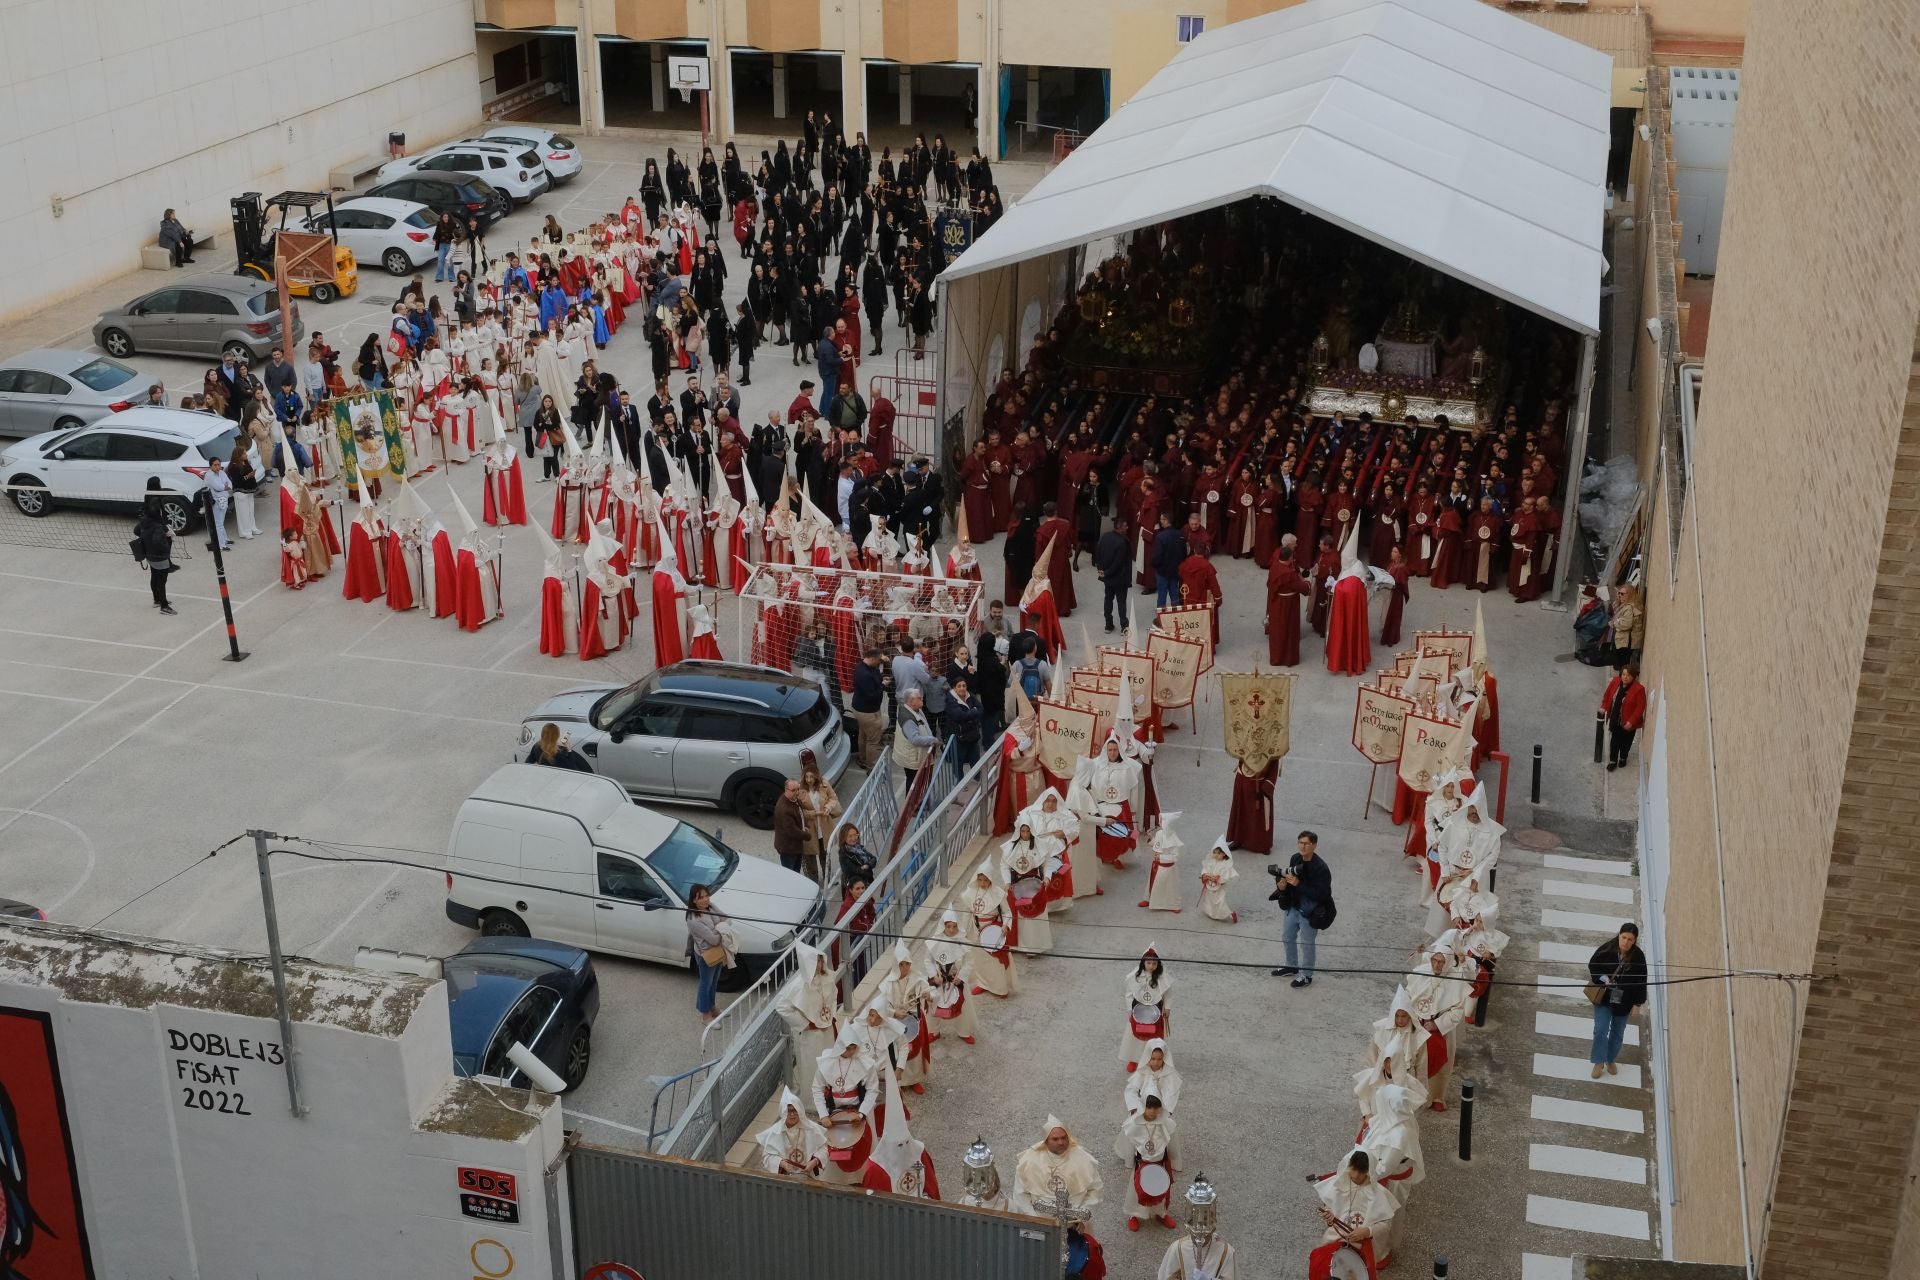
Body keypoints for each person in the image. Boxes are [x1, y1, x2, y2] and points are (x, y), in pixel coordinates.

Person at [1307, 1150, 1397, 1279]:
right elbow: (1331, 1212)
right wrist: (1330, 1218)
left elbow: (1386, 1225)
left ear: (1368, 1171)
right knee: (1320, 1264)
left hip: (1363, 1245)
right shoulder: (1338, 1184)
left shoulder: (1379, 1195)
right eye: (1353, 1169)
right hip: (1336, 1237)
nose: (1355, 1175)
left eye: (1361, 1172)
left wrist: (1367, 1231)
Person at [1270, 830, 1332, 988]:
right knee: (1287, 936)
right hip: (1294, 906)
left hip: (1310, 911)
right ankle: (1291, 966)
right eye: (1300, 843)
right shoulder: (1295, 858)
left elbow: (1322, 895)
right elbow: (1289, 879)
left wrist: (1299, 884)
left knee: (1307, 943)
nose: (1302, 846)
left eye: (1306, 843)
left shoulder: (1321, 868)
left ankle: (1306, 975)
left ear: (1314, 845)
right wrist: (1282, 886)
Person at [1011, 1117, 1105, 1220]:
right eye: (1055, 1139)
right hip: (1040, 1224)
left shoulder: (1083, 1158)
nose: (1061, 1142)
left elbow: (1096, 1190)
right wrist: (1034, 1220)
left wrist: (1082, 1218)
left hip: (1075, 1224)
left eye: (1064, 1138)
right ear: (1046, 1141)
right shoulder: (1029, 1160)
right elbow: (1020, 1195)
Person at [1588, 923, 1647, 1078]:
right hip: (1605, 998)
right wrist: (1604, 978)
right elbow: (1593, 965)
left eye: (1630, 939)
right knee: (1600, 1030)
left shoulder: (1638, 957)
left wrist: (1638, 1003)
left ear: (1635, 941)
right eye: (1624, 937)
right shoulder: (1608, 948)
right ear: (1619, 935)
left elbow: (1642, 981)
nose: (1626, 942)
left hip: (1624, 1001)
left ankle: (1610, 1058)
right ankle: (1599, 1061)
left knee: (1617, 1034)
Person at [920, 912, 977, 1045]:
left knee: (963, 1005)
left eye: (954, 927)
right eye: (948, 927)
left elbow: (969, 962)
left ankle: (964, 1032)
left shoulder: (963, 941)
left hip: (956, 979)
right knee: (932, 1005)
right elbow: (928, 960)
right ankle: (933, 1031)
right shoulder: (934, 941)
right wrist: (934, 975)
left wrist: (961, 977)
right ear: (943, 927)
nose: (951, 930)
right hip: (938, 979)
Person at [755, 1088, 827, 1178]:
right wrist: (783, 1164)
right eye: (788, 1111)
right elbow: (767, 1157)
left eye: (795, 1110)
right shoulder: (774, 1132)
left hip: (809, 1174)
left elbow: (824, 1148)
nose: (792, 1114)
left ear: (800, 1111)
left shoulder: (811, 1128)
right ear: (783, 1112)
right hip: (785, 1177)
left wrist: (814, 1161)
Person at [686, 884, 732, 1021]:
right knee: (705, 984)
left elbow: (726, 918)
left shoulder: (710, 906)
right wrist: (722, 928)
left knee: (714, 982)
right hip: (706, 955)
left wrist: (721, 927)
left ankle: (712, 1008)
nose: (706, 900)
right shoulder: (693, 919)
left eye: (707, 896)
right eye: (701, 898)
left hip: (718, 951)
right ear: (694, 900)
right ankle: (705, 1015)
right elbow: (713, 940)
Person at [1122, 946, 1172, 1069]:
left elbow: (1168, 994)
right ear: (1143, 963)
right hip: (1138, 1010)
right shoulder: (1134, 976)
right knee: (1134, 1036)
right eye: (1148, 963)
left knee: (1154, 1037)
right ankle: (1133, 1059)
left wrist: (1168, 1008)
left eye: (1154, 963)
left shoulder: (1162, 978)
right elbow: (1129, 994)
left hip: (1156, 1011)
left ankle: (1154, 1060)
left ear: (1158, 964)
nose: (1151, 966)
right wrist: (1130, 1010)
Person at [131, 496, 177, 614]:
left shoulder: (144, 521)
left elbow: (136, 531)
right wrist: (166, 546)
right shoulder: (158, 526)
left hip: (149, 555)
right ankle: (164, 606)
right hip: (160, 557)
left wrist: (146, 538)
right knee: (162, 581)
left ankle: (157, 600)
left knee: (154, 576)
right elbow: (157, 542)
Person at [1267, 533, 1306, 666]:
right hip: (1288, 605)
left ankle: (1277, 657)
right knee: (1288, 630)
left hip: (1277, 602)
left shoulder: (1275, 567)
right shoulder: (1288, 574)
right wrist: (1307, 584)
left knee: (1278, 630)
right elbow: (1302, 588)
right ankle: (1288, 658)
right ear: (1289, 558)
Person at [797, 766, 841, 883]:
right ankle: (814, 882)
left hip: (824, 826)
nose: (809, 779)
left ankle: (828, 879)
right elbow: (798, 810)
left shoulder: (824, 784)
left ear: (817, 776)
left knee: (825, 855)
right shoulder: (800, 789)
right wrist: (813, 813)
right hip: (810, 828)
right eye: (806, 777)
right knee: (810, 856)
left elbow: (833, 798)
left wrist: (827, 808)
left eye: (811, 776)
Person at [1600, 663, 1646, 771]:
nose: (1625, 677)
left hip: (1628, 722)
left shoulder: (1639, 689)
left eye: (1629, 675)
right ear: (1621, 674)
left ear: (1633, 677)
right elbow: (1608, 696)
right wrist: (1604, 707)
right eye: (1624, 674)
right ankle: (1613, 760)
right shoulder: (1615, 682)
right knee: (1614, 742)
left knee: (1626, 742)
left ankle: (1623, 757)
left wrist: (1631, 721)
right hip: (1616, 719)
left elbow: (1640, 707)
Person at [893, 688, 937, 789]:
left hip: (916, 756)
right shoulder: (908, 719)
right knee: (914, 784)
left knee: (917, 784)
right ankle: (912, 805)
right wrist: (933, 740)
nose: (922, 699)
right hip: (912, 759)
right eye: (919, 698)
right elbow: (915, 739)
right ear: (911, 701)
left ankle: (918, 803)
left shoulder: (916, 710)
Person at [1095, 517, 1131, 633]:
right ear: (1120, 528)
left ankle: (1108, 625)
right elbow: (1118, 563)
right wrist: (1107, 572)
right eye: (1125, 526)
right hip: (1120, 578)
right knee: (1121, 602)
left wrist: (1101, 570)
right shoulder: (1122, 542)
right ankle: (1124, 627)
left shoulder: (1105, 536)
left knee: (1108, 599)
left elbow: (1098, 553)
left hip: (1107, 578)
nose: (1127, 528)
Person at [945, 676, 985, 767]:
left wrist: (969, 715)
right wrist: (974, 711)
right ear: (954, 688)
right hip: (959, 739)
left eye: (964, 686)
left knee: (976, 763)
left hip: (973, 736)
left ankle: (977, 780)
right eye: (959, 686)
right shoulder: (950, 701)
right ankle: (960, 781)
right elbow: (959, 716)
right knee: (958, 765)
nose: (962, 688)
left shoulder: (970, 695)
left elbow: (981, 709)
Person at [1150, 513, 1187, 609]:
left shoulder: (1160, 536)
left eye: (1162, 519)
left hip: (1163, 572)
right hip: (1175, 571)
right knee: (1174, 595)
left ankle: (1161, 619)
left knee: (1162, 596)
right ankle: (1177, 617)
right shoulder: (1181, 535)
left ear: (1166, 520)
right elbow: (1184, 554)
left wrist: (1154, 565)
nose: (1160, 521)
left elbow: (1157, 556)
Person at [1198, 840, 1239, 923]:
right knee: (1209, 900)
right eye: (1214, 852)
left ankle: (1230, 914)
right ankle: (1210, 912)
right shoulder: (1211, 861)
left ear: (1223, 854)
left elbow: (1225, 877)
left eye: (1217, 853)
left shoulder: (1225, 865)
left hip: (1219, 888)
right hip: (1209, 885)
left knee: (1219, 902)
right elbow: (1205, 868)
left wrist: (1218, 879)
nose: (1215, 855)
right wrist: (1205, 874)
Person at [773, 778, 807, 874]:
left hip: (795, 845)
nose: (797, 792)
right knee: (790, 874)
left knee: (796, 871)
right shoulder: (784, 809)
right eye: (793, 790)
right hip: (788, 848)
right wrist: (807, 835)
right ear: (786, 790)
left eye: (798, 789)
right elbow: (793, 831)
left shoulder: (793, 799)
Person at [524, 723, 591, 772]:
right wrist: (569, 749)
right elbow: (571, 767)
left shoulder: (536, 746)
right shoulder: (559, 754)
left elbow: (528, 761)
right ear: (556, 737)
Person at [203, 455, 234, 551]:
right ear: (210, 466)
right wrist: (225, 487)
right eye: (215, 465)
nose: (217, 467)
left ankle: (225, 539)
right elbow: (219, 487)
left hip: (223, 500)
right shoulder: (209, 476)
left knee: (221, 522)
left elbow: (230, 484)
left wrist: (225, 486)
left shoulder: (222, 472)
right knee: (218, 523)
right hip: (216, 502)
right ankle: (221, 545)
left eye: (218, 465)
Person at [837, 822, 878, 887]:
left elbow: (874, 859)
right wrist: (869, 868)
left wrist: (867, 865)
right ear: (843, 838)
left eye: (855, 835)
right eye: (850, 836)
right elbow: (856, 871)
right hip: (854, 888)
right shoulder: (844, 854)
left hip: (866, 883)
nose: (853, 838)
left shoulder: (859, 847)